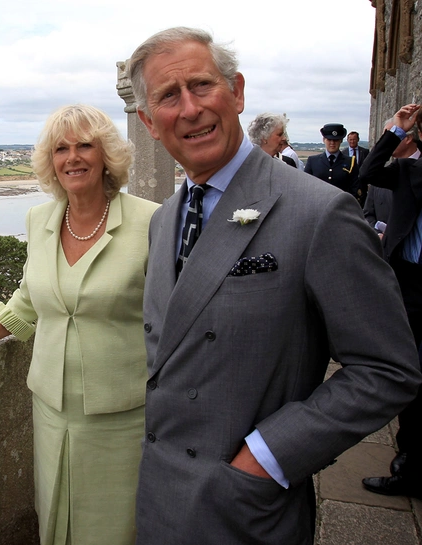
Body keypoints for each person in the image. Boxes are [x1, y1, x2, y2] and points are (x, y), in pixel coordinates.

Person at [127, 26, 421, 545]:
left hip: (244, 509)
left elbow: (387, 369)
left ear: (237, 92)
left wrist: (267, 457)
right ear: (149, 122)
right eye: (169, 96)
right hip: (159, 496)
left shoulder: (319, 212)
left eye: (202, 85)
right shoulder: (164, 219)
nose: (191, 108)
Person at [0, 104, 159, 545]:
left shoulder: (151, 221)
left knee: (114, 528)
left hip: (121, 413)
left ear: (107, 156)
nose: (73, 157)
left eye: (85, 146)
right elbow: (30, 296)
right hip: (50, 407)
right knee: (55, 519)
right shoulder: (39, 219)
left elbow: (174, 313)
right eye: (61, 148)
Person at [358, 104, 422, 500]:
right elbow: (368, 172)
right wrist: (396, 130)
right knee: (411, 373)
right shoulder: (410, 171)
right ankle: (409, 463)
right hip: (412, 283)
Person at [363, 119, 420, 235]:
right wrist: (377, 235)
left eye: (391, 136)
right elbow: (368, 214)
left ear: (408, 138)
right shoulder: (381, 173)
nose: (386, 142)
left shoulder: (419, 169)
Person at [305, 123, 365, 205]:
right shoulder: (313, 161)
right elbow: (306, 187)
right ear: (324, 140)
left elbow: (354, 189)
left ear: (341, 141)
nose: (332, 143)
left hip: (341, 207)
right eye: (329, 140)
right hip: (318, 207)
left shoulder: (350, 162)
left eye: (336, 140)